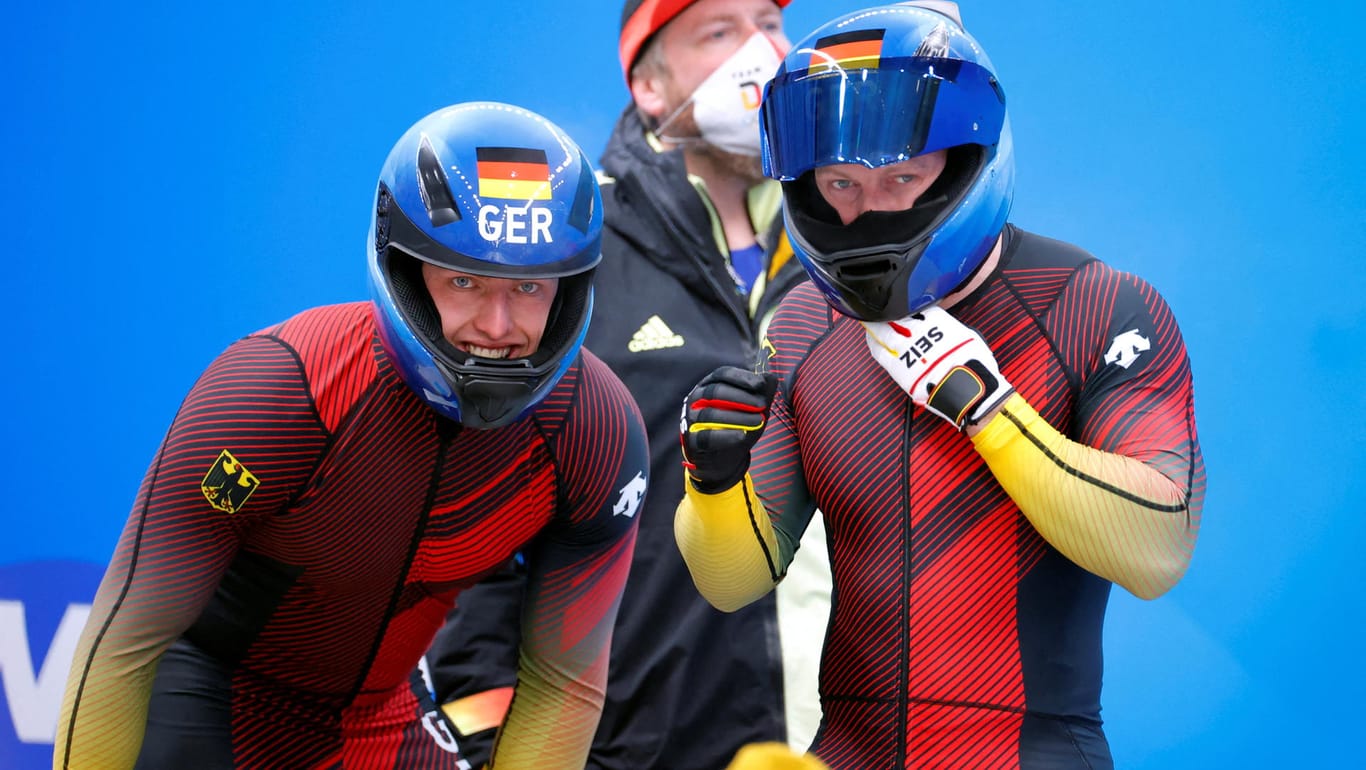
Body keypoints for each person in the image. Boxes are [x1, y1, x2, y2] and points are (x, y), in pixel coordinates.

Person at [675, 3, 1207, 768]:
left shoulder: (1094, 304)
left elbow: (1158, 549)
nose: (865, 213)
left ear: (967, 162)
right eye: (839, 182)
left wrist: (989, 411)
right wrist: (714, 482)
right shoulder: (802, 323)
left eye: (901, 177)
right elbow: (732, 581)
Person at [53, 102, 648, 770]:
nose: (497, 324)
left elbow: (562, 686)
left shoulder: (593, 431)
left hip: (378, 719)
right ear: (404, 271)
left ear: (569, 291)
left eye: (530, 287)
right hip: (208, 700)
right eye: (463, 280)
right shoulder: (277, 391)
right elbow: (126, 639)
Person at [423, 1, 830, 768]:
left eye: (771, 24)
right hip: (636, 748)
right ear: (648, 84)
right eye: (720, 31)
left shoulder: (854, 238)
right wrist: (485, 733)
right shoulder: (569, 261)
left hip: (845, 744)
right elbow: (476, 513)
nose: (763, 52)